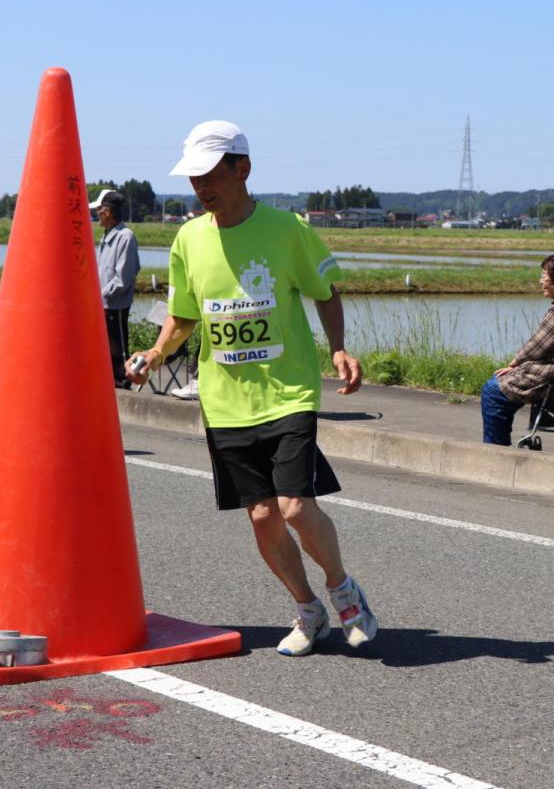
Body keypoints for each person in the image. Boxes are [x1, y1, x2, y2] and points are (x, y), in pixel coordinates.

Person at [126, 120, 376, 657]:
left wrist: (337, 347)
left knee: (293, 507)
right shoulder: (189, 239)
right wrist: (154, 353)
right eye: (193, 177)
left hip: (288, 392)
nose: (200, 187)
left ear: (243, 168)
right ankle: (308, 609)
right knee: (262, 516)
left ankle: (341, 588)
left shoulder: (288, 230)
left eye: (210, 173)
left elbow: (325, 292)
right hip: (225, 400)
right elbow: (184, 316)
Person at [481, 252, 554, 445]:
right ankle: (497, 443)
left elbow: (537, 345)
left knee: (494, 390)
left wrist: (514, 363)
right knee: (498, 385)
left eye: (544, 277)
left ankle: (495, 449)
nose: (540, 282)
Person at [94, 189, 140, 389]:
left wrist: (101, 294)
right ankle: (109, 379)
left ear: (108, 212)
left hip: (115, 303)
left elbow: (122, 278)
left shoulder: (125, 236)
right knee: (104, 345)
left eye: (99, 210)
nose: (97, 214)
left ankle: (123, 380)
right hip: (103, 301)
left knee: (118, 346)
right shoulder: (107, 235)